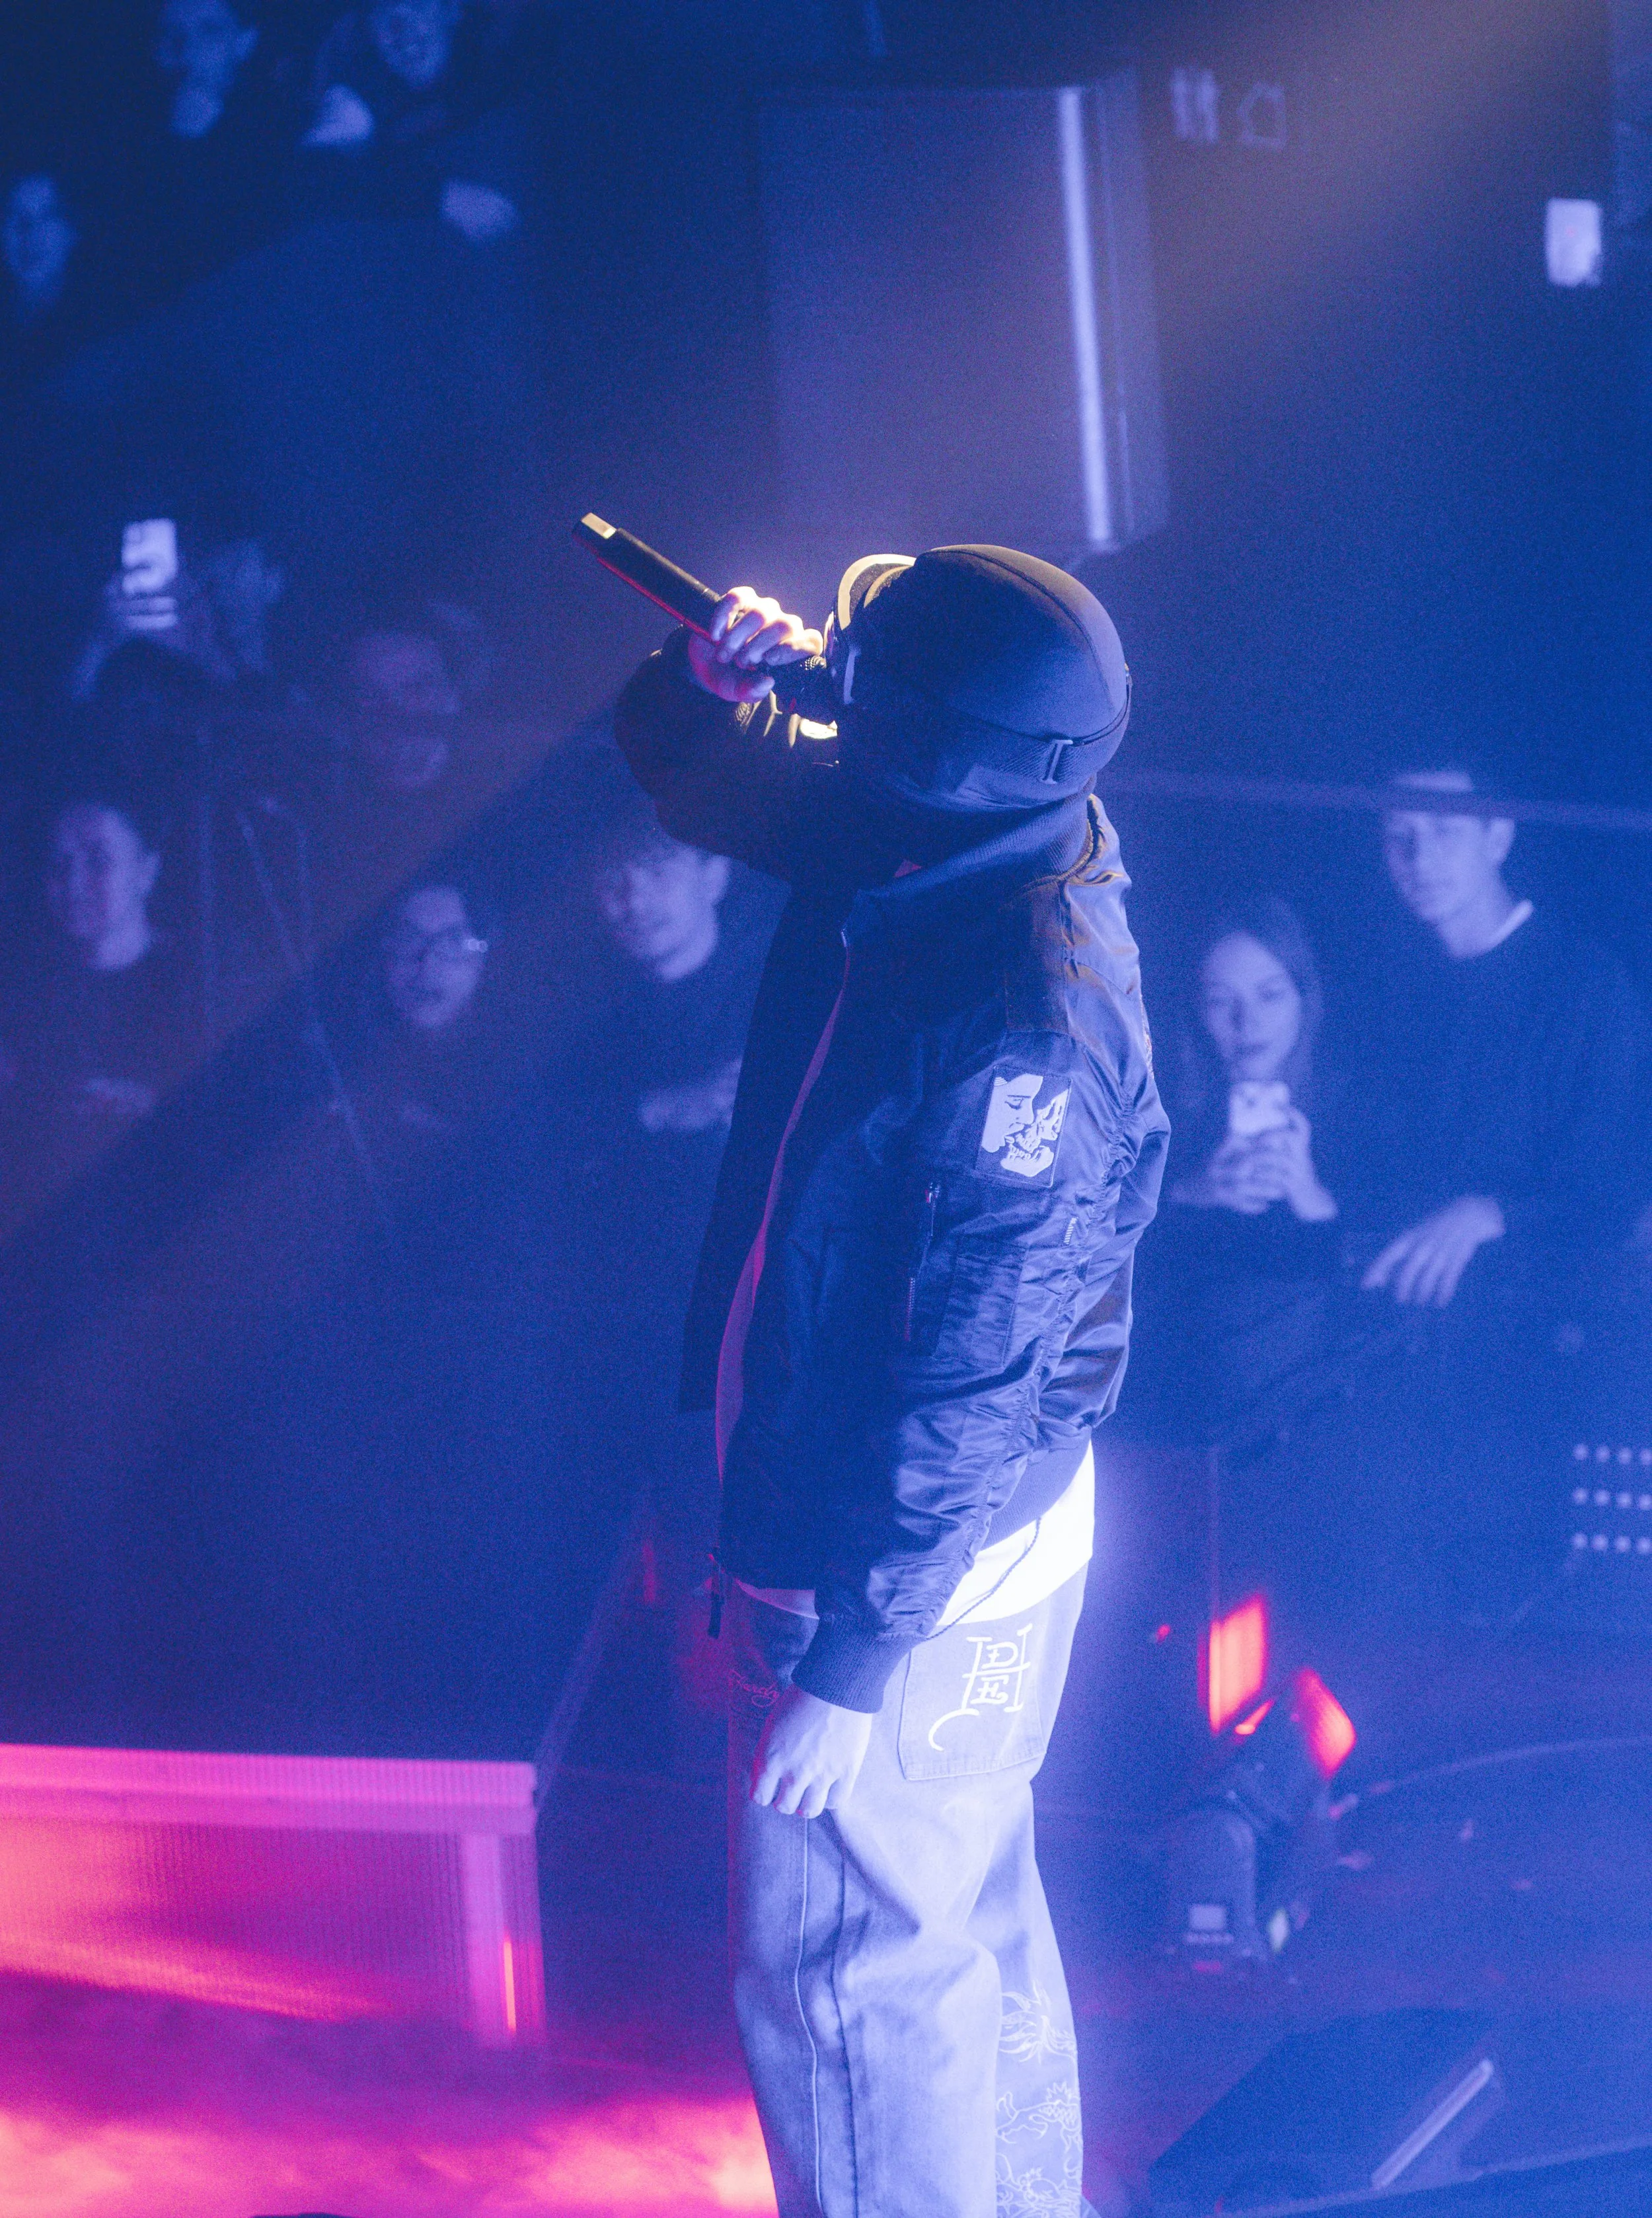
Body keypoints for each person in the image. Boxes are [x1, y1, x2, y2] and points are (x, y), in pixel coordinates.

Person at [615, 543, 1165, 2218]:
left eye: (865, 686)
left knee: (855, 1981)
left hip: (896, 1567)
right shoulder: (958, 836)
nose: (831, 692)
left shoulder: (1029, 1014)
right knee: (954, 1937)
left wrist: (851, 1660)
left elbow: (973, 1372)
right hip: (951, 1548)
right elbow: (732, 795)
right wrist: (706, 687)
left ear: (926, 744)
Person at [1128, 896, 1345, 1450]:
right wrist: (1189, 1193)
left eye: (1270, 995)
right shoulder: (1158, 1112)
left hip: (1315, 1422)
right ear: (1196, 1013)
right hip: (1174, 1420)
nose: (1247, 1024)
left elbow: (1378, 1293)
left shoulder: (1356, 1114)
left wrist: (1309, 1193)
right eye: (1221, 1002)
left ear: (1304, 996)